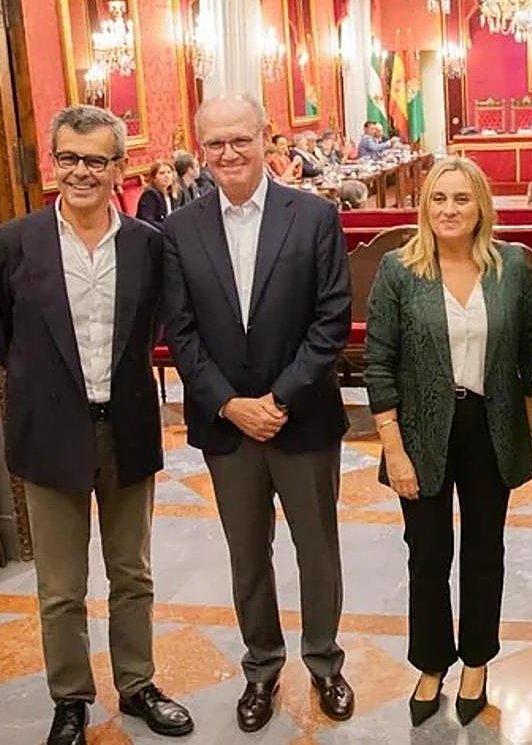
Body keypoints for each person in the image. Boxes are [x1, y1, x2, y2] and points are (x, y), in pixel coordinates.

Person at [0, 105, 193, 745]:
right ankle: (70, 698)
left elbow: (157, 327)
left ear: (118, 167)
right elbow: (0, 337)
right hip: (49, 434)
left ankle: (137, 685)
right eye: (69, 158)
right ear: (54, 162)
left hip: (125, 428)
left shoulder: (148, 246)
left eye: (96, 160)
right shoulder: (15, 243)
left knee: (132, 574)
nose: (81, 171)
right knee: (61, 586)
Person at [162, 94, 355, 733]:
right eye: (214, 143)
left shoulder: (314, 216)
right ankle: (262, 668)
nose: (228, 153)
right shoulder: (181, 229)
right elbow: (181, 333)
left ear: (265, 138)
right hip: (227, 425)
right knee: (247, 553)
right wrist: (231, 404)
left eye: (240, 139)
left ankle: (325, 662)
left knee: (317, 550)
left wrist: (276, 400)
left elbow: (332, 320)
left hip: (300, 418)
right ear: (200, 149)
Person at [364, 157, 532, 728]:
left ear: (481, 206)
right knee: (428, 554)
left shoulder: (511, 268)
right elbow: (380, 363)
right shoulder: (398, 269)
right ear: (424, 207)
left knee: (485, 552)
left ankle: (477, 661)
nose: (449, 209)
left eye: (462, 199)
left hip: (492, 428)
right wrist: (392, 446)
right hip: (419, 432)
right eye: (439, 199)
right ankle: (432, 661)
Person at [136, 159, 176, 229]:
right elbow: (147, 221)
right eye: (162, 173)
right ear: (154, 178)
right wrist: (167, 229)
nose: (166, 176)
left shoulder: (171, 194)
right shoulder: (150, 195)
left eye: (169, 172)